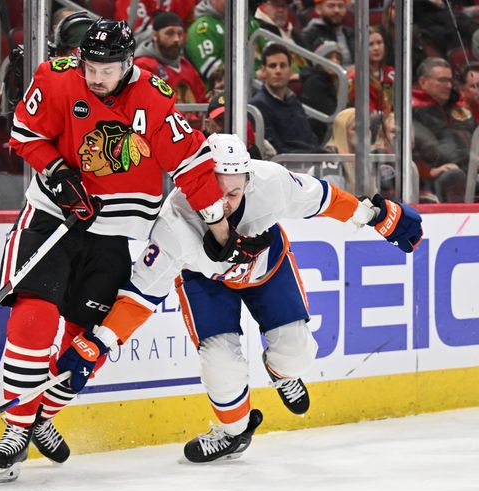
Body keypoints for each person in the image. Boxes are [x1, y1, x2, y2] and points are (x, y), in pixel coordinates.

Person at [0, 18, 263, 484]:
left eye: (107, 69)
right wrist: (57, 173)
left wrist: (220, 227)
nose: (96, 77)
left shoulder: (151, 97)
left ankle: (40, 416)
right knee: (34, 315)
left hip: (114, 234)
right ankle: (15, 432)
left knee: (84, 338)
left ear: (128, 64)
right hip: (53, 218)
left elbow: (190, 166)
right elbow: (26, 133)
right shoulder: (55, 76)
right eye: (91, 66)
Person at [56, 133, 423, 464]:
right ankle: (233, 433)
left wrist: (374, 215)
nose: (226, 203)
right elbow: (141, 295)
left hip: (267, 268)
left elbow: (323, 199)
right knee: (221, 365)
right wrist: (97, 344)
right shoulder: (173, 223)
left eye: (235, 192)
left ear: (248, 179)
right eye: (217, 193)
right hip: (207, 280)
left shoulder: (271, 182)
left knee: (297, 354)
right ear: (199, 181)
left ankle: (281, 373)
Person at [412, 57, 472, 203]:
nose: (449, 85)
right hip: (431, 180)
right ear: (423, 82)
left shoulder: (454, 107)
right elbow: (435, 149)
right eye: (442, 80)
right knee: (454, 175)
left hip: (466, 168)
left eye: (450, 81)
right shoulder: (415, 110)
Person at [250, 42, 322, 154]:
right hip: (287, 166)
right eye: (272, 66)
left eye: (283, 65)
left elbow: (310, 138)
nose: (278, 71)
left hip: (308, 161)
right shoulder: (258, 105)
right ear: (263, 71)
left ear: (290, 70)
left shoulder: (294, 100)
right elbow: (277, 150)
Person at [184, 0, 261, 91]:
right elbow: (215, 73)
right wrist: (255, 75)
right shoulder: (202, 28)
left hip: (258, 86)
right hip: (224, 95)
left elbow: (272, 53)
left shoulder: (249, 22)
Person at [133, 11, 208, 105]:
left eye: (180, 34)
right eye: (170, 33)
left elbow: (202, 101)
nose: (176, 39)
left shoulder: (185, 64)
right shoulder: (143, 65)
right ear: (154, 35)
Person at [301, 40, 344, 142]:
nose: (335, 61)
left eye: (338, 58)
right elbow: (330, 113)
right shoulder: (315, 82)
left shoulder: (335, 81)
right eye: (329, 57)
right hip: (319, 133)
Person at [346, 27, 394, 114]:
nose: (376, 48)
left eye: (379, 43)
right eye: (370, 44)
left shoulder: (391, 73)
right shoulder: (355, 76)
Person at [301, 0, 355, 67]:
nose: (337, 10)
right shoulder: (309, 34)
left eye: (340, 6)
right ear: (318, 9)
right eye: (331, 6)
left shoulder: (351, 33)